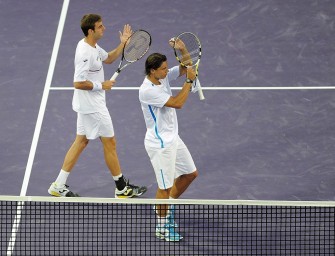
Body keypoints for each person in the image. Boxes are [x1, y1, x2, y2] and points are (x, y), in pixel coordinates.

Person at [48, 14, 147, 198]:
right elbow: (78, 82)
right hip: (93, 107)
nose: (104, 28)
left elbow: (108, 58)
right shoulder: (85, 53)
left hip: (85, 105)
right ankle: (121, 188)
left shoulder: (90, 45)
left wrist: (123, 44)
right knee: (110, 143)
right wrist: (102, 85)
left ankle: (58, 185)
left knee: (81, 141)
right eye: (100, 26)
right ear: (91, 31)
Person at [138, 39, 199, 242]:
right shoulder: (147, 90)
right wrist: (189, 82)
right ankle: (162, 226)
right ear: (153, 71)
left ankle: (167, 208)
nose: (167, 71)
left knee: (190, 174)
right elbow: (177, 103)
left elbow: (186, 67)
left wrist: (183, 50)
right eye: (164, 69)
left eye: (166, 68)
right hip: (160, 145)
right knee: (163, 187)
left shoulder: (161, 78)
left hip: (173, 138)